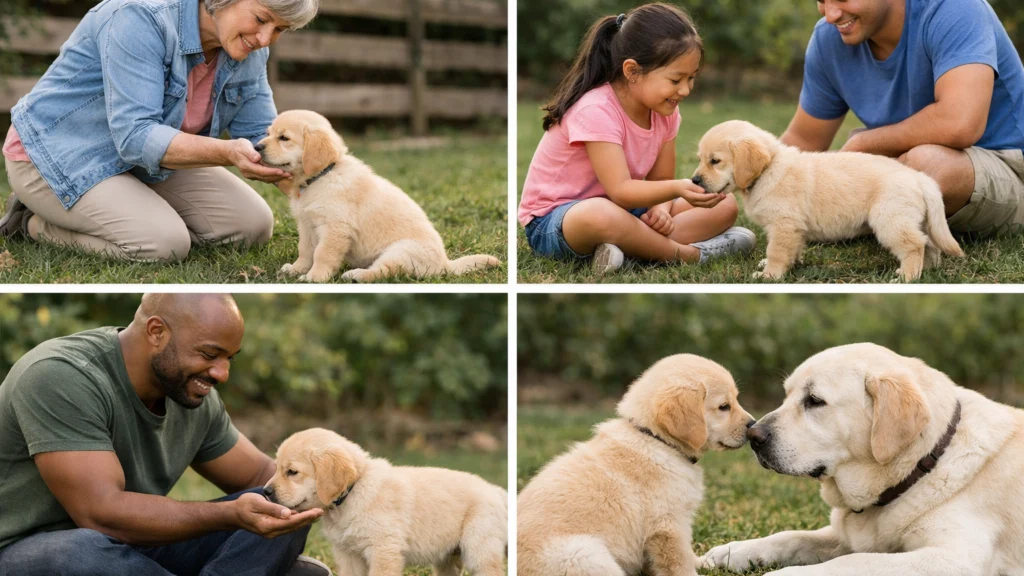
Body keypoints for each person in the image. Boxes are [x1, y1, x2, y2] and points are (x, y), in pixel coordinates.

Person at [0, 294, 331, 576]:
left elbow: (262, 477)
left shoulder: (190, 392)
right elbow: (101, 514)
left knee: (283, 503)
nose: (222, 373)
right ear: (156, 331)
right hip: (24, 551)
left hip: (132, 549)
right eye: (209, 354)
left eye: (229, 358)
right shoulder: (61, 375)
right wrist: (228, 515)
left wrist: (330, 490)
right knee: (81, 551)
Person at [0, 0, 319, 261]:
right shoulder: (138, 17)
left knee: (253, 225)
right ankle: (31, 223)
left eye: (279, 29)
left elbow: (262, 139)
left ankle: (137, 211)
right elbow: (136, 136)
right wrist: (227, 153)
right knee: (163, 243)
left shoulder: (250, 50)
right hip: (58, 155)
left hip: (143, 163)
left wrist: (329, 199)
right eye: (262, 19)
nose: (265, 39)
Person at [517, 2, 756, 274]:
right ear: (632, 71)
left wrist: (662, 210)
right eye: (676, 79)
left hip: (626, 211)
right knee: (599, 213)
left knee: (722, 204)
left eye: (691, 78)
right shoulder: (596, 110)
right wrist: (677, 189)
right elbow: (620, 189)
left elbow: (661, 182)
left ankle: (629, 251)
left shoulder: (665, 112)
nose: (686, 90)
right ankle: (690, 254)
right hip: (557, 223)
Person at [783, 0, 1024, 238]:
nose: (831, 14)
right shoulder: (829, 39)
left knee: (927, 166)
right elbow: (804, 138)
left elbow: (960, 123)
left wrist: (864, 144)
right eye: (822, 1)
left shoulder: (954, 8)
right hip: (905, 161)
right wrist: (751, 180)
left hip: (1008, 164)